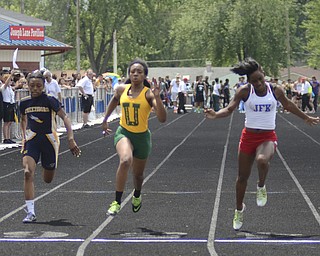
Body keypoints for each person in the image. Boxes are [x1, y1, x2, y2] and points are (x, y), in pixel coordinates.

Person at [204, 58, 320, 231]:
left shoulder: (275, 90)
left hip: (267, 136)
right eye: (254, 81)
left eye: (260, 79)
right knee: (242, 178)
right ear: (248, 81)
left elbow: (288, 105)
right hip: (248, 137)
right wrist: (215, 114)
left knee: (262, 160)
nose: (258, 83)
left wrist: (306, 117)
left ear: (264, 75)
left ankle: (261, 186)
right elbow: (229, 109)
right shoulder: (244, 91)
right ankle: (239, 209)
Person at [102, 58, 166, 216]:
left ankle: (137, 194)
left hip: (142, 138)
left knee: (138, 175)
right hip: (124, 132)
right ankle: (117, 201)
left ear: (145, 76)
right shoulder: (122, 89)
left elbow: (162, 119)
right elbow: (114, 100)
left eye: (139, 72)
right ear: (129, 74)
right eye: (132, 71)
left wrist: (158, 97)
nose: (135, 74)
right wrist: (105, 119)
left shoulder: (149, 94)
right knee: (125, 160)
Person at [19, 70, 81, 223]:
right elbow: (23, 119)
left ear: (43, 86)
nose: (35, 89)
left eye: (38, 86)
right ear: (27, 85)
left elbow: (65, 118)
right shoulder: (24, 102)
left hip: (49, 140)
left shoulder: (50, 100)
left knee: (48, 179)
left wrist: (71, 139)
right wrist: (23, 137)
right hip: (32, 139)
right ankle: (31, 212)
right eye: (32, 85)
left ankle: (46, 165)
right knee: (27, 173)